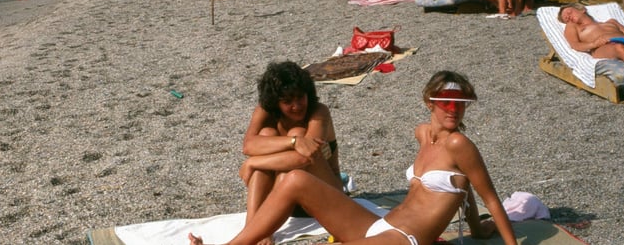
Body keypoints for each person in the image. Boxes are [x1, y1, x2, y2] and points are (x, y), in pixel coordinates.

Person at [190, 71, 517, 245]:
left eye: (459, 104)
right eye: (445, 102)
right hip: (378, 224)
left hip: (404, 239)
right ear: (429, 103)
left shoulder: (460, 143)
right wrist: (475, 227)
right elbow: (462, 187)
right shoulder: (423, 133)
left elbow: (488, 195)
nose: (453, 109)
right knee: (294, 179)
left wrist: (494, 235)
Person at [238, 62, 342, 224]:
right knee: (267, 134)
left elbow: (306, 158)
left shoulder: (319, 112)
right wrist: (293, 142)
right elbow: (249, 145)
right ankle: (252, 226)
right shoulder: (265, 112)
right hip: (280, 198)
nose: (297, 106)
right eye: (287, 101)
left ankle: (264, 226)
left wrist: (253, 162)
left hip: (324, 195)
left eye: (300, 97)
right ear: (276, 103)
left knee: (297, 134)